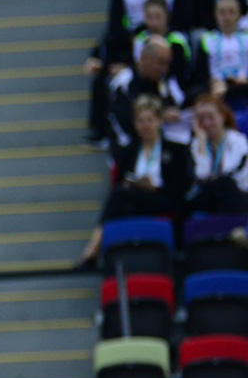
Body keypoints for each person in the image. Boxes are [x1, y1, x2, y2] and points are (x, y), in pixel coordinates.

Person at [80, 95, 191, 263]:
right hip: (135, 200)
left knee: (120, 196)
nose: (145, 125)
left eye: (149, 120)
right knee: (121, 197)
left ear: (159, 121)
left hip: (164, 198)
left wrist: (153, 188)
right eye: (140, 121)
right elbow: (119, 181)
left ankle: (93, 248)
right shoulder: (129, 151)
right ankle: (119, 258)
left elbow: (181, 187)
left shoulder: (176, 150)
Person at [108, 35, 187, 147]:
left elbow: (179, 104)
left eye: (167, 64)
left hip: (160, 146)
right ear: (144, 58)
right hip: (128, 147)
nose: (164, 69)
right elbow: (126, 121)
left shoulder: (166, 81)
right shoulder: (123, 83)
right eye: (160, 63)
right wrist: (160, 117)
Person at [190, 93, 248, 213]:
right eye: (201, 119)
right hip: (210, 196)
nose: (206, 123)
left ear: (223, 116)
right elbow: (202, 175)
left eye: (211, 117)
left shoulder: (238, 140)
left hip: (237, 193)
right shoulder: (196, 144)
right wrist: (202, 143)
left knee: (225, 185)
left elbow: (232, 175)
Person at [193, 0, 248, 107]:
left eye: (231, 12)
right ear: (215, 15)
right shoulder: (207, 40)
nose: (227, 17)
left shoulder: (246, 39)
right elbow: (199, 74)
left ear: (239, 15)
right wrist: (211, 84)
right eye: (222, 12)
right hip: (216, 90)